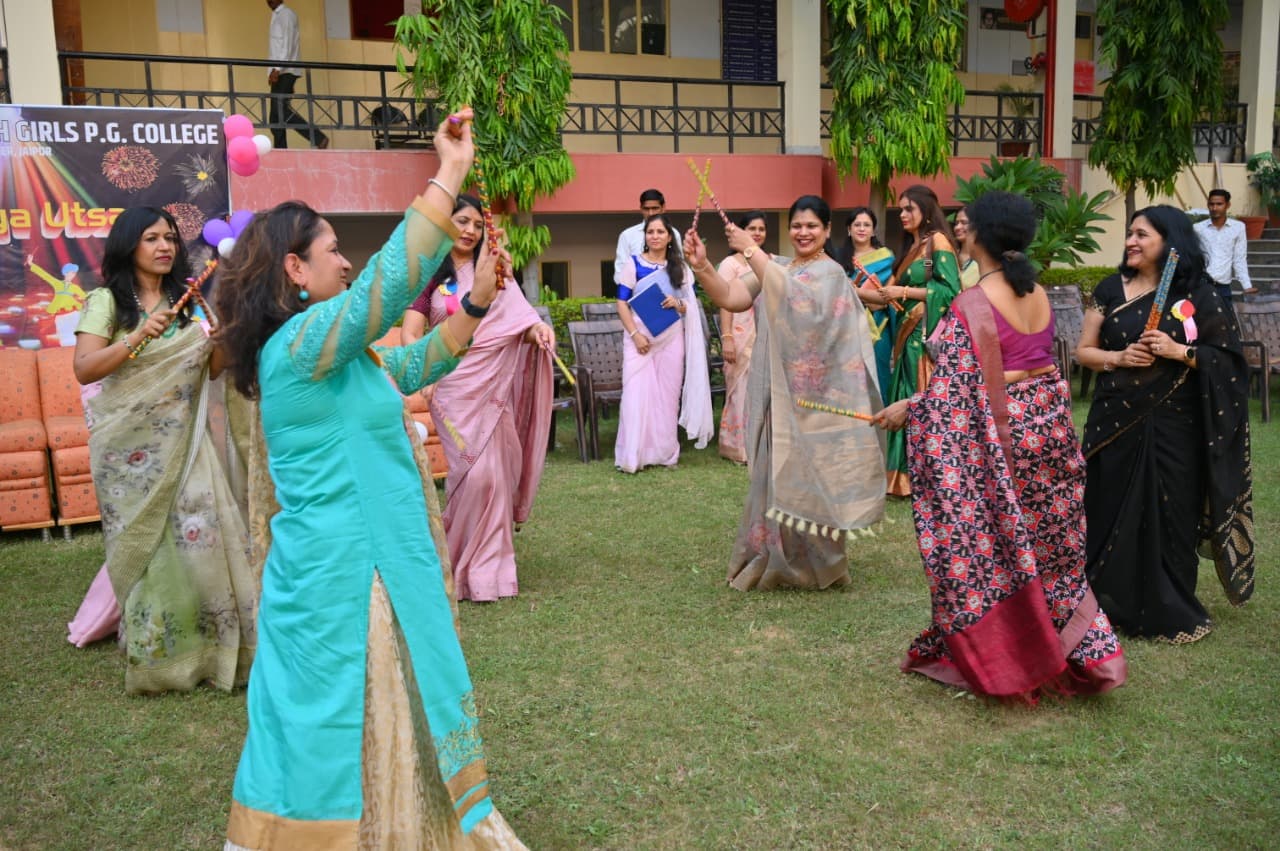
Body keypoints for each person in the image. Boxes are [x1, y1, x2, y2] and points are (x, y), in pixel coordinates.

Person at [215, 111, 523, 847]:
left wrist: (477, 299)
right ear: (295, 268)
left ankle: (398, 823)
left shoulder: (342, 358)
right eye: (331, 251)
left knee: (384, 713)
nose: (345, 261)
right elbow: (387, 289)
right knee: (341, 720)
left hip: (375, 561)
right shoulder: (299, 344)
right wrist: (448, 173)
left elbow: (417, 363)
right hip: (341, 576)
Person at [872, 191, 1127, 700]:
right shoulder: (1035, 292)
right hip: (1050, 434)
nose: (959, 229)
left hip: (1004, 438)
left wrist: (911, 408)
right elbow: (1036, 366)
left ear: (980, 234)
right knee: (1051, 550)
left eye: (965, 223)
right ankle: (1078, 650)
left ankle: (1011, 658)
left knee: (997, 548)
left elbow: (955, 393)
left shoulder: (974, 301)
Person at [71, 206, 256, 694]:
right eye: (151, 238)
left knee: (201, 538)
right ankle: (158, 649)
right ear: (128, 244)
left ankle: (210, 641)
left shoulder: (189, 300)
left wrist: (219, 343)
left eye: (170, 238)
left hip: (189, 442)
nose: (164, 246)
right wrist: (134, 339)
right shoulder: (106, 301)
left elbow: (213, 371)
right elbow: (86, 368)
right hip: (130, 452)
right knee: (152, 549)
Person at [685, 195, 885, 591]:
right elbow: (732, 297)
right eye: (797, 225)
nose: (803, 232)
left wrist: (750, 248)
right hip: (784, 396)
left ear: (827, 231)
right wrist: (704, 266)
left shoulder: (831, 275)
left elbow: (798, 300)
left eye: (812, 226)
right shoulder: (779, 268)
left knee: (817, 480)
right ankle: (777, 555)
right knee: (777, 478)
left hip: (823, 402)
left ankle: (821, 565)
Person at [1075, 204, 1255, 644]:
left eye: (1143, 235)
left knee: (1169, 512)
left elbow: (1230, 363)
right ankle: (1104, 602)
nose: (1132, 241)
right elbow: (1084, 351)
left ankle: (1167, 604)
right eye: (1130, 233)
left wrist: (1180, 352)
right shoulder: (1109, 288)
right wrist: (1117, 357)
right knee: (1107, 506)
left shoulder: (1198, 294)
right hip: (1115, 419)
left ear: (1169, 242)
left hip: (1176, 426)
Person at [401, 193, 554, 602]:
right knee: (474, 477)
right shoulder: (429, 274)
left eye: (476, 224)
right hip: (450, 387)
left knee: (495, 478)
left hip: (491, 389)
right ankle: (459, 558)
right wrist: (423, 368)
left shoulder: (495, 271)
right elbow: (411, 331)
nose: (469, 230)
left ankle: (490, 573)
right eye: (461, 222)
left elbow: (518, 320)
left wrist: (536, 330)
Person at [866, 185, 962, 497]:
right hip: (905, 335)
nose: (903, 214)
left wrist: (903, 293)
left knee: (918, 399)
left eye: (909, 208)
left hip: (924, 338)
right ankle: (903, 478)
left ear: (925, 209)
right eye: (901, 209)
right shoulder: (912, 247)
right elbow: (883, 296)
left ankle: (930, 476)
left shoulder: (938, 242)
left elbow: (950, 291)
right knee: (903, 398)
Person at [615, 213, 713, 472]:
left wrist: (677, 303)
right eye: (650, 232)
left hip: (670, 338)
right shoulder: (633, 264)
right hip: (639, 339)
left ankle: (664, 452)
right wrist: (636, 335)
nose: (655, 236)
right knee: (636, 395)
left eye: (660, 232)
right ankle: (633, 456)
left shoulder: (679, 267)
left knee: (668, 396)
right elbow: (621, 303)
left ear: (670, 237)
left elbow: (689, 305)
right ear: (645, 236)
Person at [716, 210, 769, 464]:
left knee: (760, 389)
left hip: (763, 332)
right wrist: (726, 336)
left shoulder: (766, 261)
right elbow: (725, 302)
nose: (757, 233)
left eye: (761, 229)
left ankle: (759, 445)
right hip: (738, 332)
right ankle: (738, 447)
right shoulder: (730, 264)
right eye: (752, 229)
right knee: (739, 391)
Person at [838, 206, 897, 403]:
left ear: (873, 230)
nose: (862, 229)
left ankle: (884, 422)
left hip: (879, 324)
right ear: (849, 229)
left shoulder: (886, 257)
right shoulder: (839, 258)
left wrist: (862, 295)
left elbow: (889, 293)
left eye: (866, 225)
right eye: (857, 225)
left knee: (879, 373)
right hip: (848, 325)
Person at [265, 0, 329, 150]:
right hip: (280, 71)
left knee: (280, 111)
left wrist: (277, 69)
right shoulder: (276, 15)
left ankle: (318, 138)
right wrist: (272, 71)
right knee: (275, 117)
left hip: (286, 71)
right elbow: (276, 48)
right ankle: (281, 151)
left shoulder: (286, 14)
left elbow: (287, 44)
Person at [1194, 189, 1254, 306]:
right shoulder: (1197, 228)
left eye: (1219, 204)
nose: (1215, 208)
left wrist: (1247, 286)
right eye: (1211, 204)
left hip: (1223, 286)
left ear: (1228, 205)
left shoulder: (1238, 228)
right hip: (1201, 285)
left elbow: (1239, 259)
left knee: (1226, 321)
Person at [614, 188, 680, 291]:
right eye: (646, 209)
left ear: (663, 208)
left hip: (670, 296)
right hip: (635, 297)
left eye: (655, 208)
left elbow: (679, 265)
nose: (650, 213)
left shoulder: (674, 233)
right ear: (640, 208)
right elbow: (620, 272)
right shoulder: (627, 235)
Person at [951, 206, 981, 289]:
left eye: (964, 223)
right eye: (956, 223)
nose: (957, 227)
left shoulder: (982, 259)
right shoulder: (950, 255)